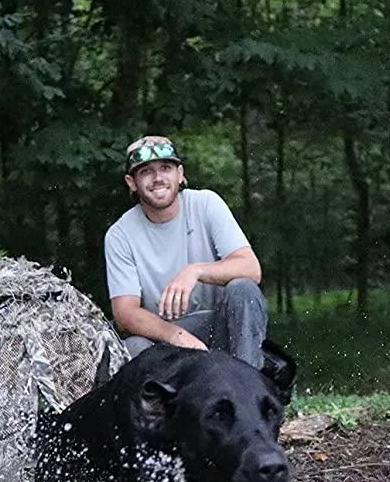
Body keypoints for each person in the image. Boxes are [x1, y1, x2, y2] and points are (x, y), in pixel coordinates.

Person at [104, 134, 268, 368]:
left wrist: (195, 271)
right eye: (146, 172)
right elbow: (125, 314)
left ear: (180, 174)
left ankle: (250, 384)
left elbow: (251, 268)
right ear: (131, 183)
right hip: (163, 341)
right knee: (133, 348)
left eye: (165, 168)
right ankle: (167, 405)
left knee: (243, 289)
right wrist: (177, 337)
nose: (158, 178)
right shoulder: (119, 235)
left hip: (220, 329)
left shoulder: (206, 204)